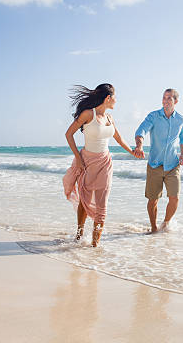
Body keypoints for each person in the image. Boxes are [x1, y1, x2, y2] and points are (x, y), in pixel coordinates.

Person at [63, 83, 142, 247]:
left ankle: (94, 245)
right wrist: (78, 158)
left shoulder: (109, 118)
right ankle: (79, 233)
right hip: (87, 162)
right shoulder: (87, 114)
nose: (116, 101)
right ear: (108, 98)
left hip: (105, 163)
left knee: (102, 206)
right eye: (115, 97)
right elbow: (69, 134)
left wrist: (132, 152)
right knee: (84, 201)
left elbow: (118, 138)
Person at [134, 88, 183, 233]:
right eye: (164, 97)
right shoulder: (153, 116)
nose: (165, 100)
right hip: (155, 164)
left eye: (169, 98)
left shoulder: (181, 120)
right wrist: (139, 145)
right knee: (153, 200)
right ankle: (153, 228)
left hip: (173, 165)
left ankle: (165, 223)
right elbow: (141, 131)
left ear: (175, 101)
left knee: (174, 198)